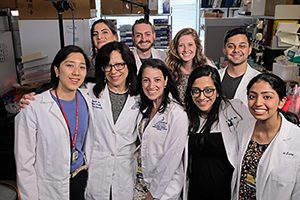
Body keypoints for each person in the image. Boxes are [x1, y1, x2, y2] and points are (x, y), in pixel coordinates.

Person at [14, 45, 95, 200]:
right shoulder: (33, 107)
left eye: (82, 67)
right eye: (70, 65)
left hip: (81, 178)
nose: (76, 72)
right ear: (57, 70)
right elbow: (24, 163)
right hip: (50, 186)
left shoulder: (88, 99)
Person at [184, 65, 250, 200]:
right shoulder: (186, 117)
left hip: (225, 191)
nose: (202, 97)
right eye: (196, 91)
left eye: (208, 90)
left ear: (218, 91)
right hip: (195, 191)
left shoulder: (234, 110)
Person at [84, 41, 140, 200]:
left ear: (128, 65)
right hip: (97, 169)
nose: (113, 71)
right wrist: (31, 97)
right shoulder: (90, 92)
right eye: (107, 66)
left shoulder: (140, 97)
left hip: (126, 170)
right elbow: (61, 92)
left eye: (119, 65)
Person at [233, 73, 300, 200]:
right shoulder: (242, 128)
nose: (258, 103)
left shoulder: (296, 139)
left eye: (267, 97)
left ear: (281, 102)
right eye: (252, 96)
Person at [134, 58, 188, 199]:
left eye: (157, 80)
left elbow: (171, 159)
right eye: (146, 80)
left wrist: (153, 194)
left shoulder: (177, 114)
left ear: (165, 81)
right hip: (141, 182)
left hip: (164, 189)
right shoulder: (145, 107)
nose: (151, 85)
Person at [166, 27, 215, 104]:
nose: (186, 49)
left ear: (197, 46)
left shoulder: (207, 67)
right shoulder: (170, 69)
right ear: (176, 48)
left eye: (190, 44)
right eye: (181, 45)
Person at [219, 27, 260, 105]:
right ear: (224, 50)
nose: (236, 50)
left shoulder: (259, 80)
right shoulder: (216, 77)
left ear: (250, 50)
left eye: (242, 46)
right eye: (230, 46)